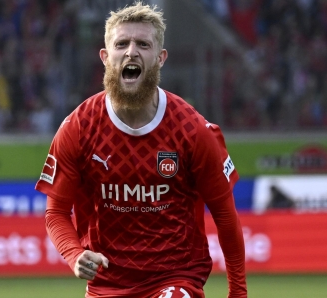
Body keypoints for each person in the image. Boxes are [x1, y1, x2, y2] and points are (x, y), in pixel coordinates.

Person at [35, 2, 247, 297]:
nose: (131, 51)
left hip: (176, 277)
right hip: (107, 284)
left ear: (160, 58)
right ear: (106, 57)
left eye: (143, 44)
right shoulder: (79, 127)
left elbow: (226, 216)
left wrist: (238, 293)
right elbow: (55, 212)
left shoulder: (192, 130)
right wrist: (74, 254)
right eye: (122, 43)